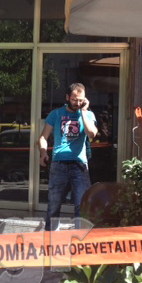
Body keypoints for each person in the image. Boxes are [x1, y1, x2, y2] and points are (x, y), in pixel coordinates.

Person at [38, 83, 98, 231]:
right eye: (74, 99)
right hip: (59, 164)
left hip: (79, 165)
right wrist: (43, 153)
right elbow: (43, 137)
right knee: (54, 204)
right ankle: (51, 237)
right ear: (67, 97)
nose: (77, 103)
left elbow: (91, 134)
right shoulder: (56, 114)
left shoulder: (88, 115)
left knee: (82, 205)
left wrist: (83, 112)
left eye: (81, 100)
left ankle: (80, 239)